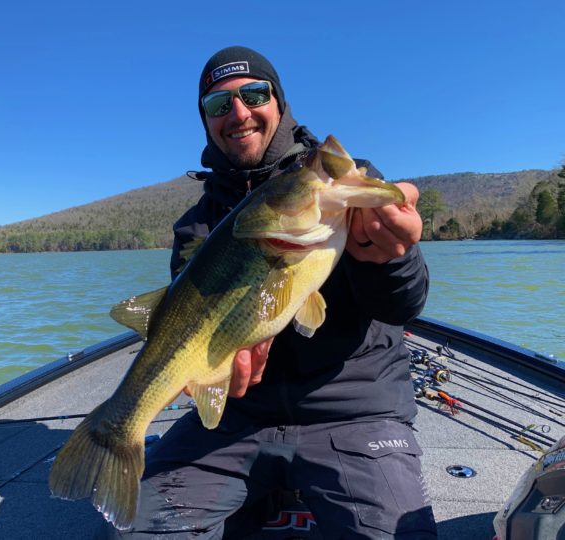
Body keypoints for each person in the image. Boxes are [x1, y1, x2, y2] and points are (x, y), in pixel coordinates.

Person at [106, 46, 437, 539]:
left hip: (354, 411)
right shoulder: (196, 226)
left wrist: (393, 259)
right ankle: (113, 439)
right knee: (137, 532)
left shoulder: (345, 187)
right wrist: (209, 378)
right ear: (207, 122)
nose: (238, 113)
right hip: (238, 419)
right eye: (218, 105)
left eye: (253, 95)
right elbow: (183, 326)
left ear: (279, 103)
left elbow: (402, 305)